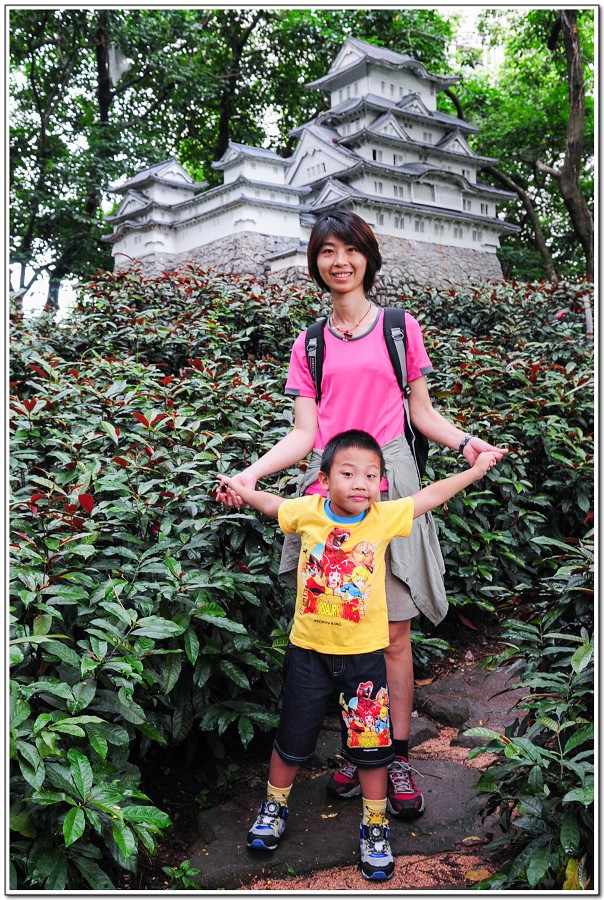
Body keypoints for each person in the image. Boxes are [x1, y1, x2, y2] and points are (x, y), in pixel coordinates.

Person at [216, 210, 508, 820]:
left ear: (368, 258)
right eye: (327, 251)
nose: (339, 261)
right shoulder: (310, 343)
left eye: (349, 249)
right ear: (316, 262)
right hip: (329, 489)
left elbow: (421, 413)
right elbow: (304, 433)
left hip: (387, 482)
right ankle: (358, 749)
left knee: (393, 634)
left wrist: (466, 444)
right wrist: (250, 476)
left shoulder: (400, 328)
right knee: (337, 626)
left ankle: (393, 754)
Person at [217, 429, 499, 881]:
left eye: (371, 475)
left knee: (372, 748)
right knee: (292, 740)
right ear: (324, 480)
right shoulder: (307, 512)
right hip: (308, 654)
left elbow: (430, 495)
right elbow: (271, 504)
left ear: (381, 483)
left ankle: (374, 825)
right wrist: (240, 486)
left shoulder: (383, 518)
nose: (361, 483)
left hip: (365, 660)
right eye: (348, 473)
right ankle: (274, 807)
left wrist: (475, 470)